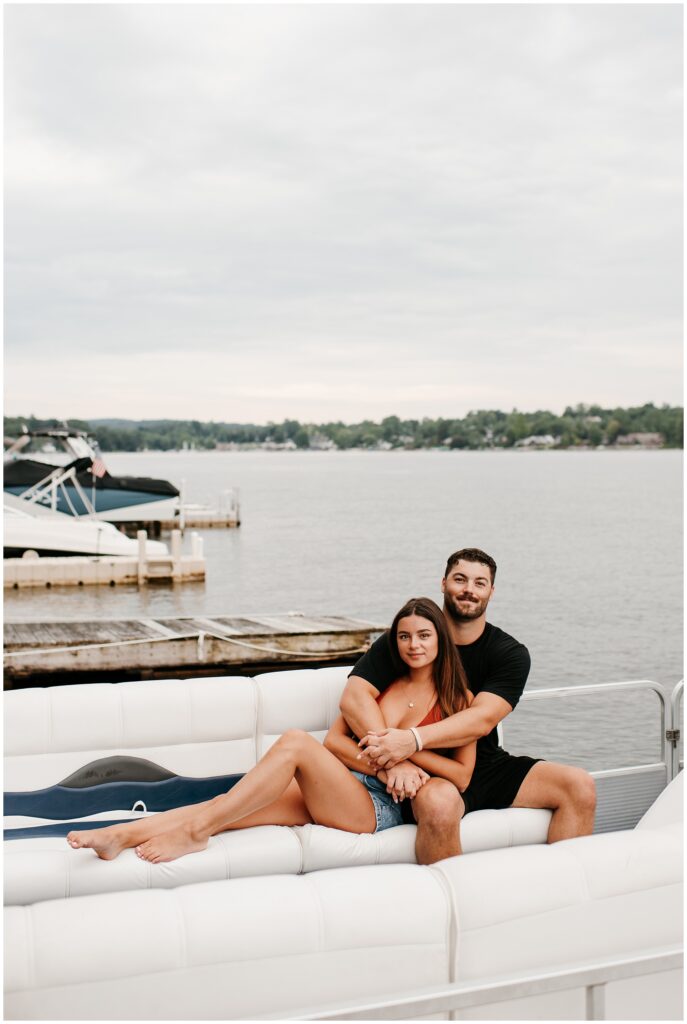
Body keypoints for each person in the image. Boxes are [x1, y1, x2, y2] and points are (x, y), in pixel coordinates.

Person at [65, 598, 476, 865]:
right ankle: (119, 835)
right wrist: (389, 763)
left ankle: (194, 835)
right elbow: (335, 740)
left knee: (296, 742)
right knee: (229, 805)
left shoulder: (458, 699)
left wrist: (406, 753)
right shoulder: (382, 686)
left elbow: (461, 777)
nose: (413, 645)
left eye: (424, 636)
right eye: (404, 636)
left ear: (440, 639)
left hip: (377, 809)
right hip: (344, 784)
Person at [342, 548, 597, 865]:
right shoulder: (411, 638)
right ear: (443, 583)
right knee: (439, 804)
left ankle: (562, 898)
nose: (468, 590)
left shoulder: (509, 654)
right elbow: (354, 696)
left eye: (480, 583)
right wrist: (393, 755)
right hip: (426, 771)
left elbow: (481, 719)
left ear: (491, 591)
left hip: (485, 764)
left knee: (579, 786)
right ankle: (453, 908)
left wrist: (411, 740)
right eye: (460, 579)